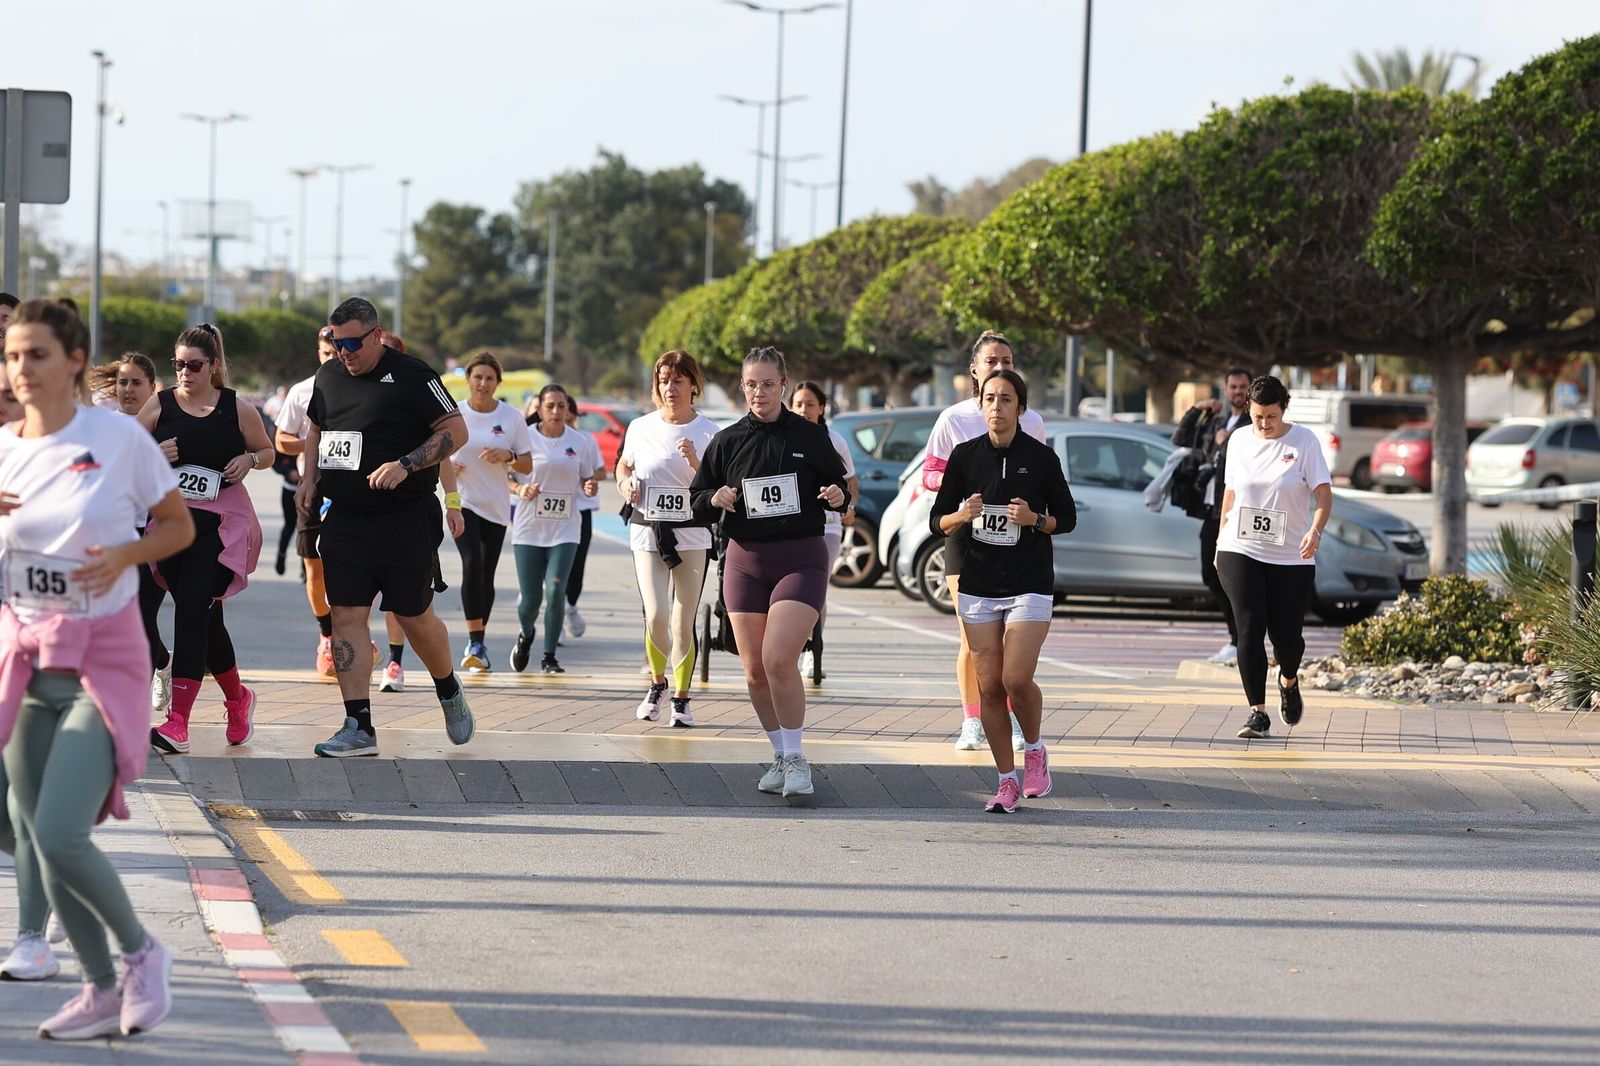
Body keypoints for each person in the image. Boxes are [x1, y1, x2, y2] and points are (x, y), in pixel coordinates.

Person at [0, 298, 194, 1038]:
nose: (22, 369)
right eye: (13, 356)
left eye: (37, 355)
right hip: (26, 660)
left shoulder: (115, 438)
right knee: (35, 837)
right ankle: (99, 989)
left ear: (75, 361)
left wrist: (123, 554)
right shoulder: (4, 446)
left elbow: (174, 527)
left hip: (102, 658)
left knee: (57, 835)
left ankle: (144, 957)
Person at [295, 297, 473, 757]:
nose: (344, 352)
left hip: (405, 519)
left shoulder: (415, 375)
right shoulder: (328, 374)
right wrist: (308, 480)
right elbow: (316, 429)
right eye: (336, 343)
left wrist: (407, 464)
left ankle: (448, 689)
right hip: (347, 519)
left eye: (353, 342)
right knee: (346, 615)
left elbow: (456, 430)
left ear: (376, 335)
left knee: (413, 616)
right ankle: (358, 724)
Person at [689, 347, 850, 798]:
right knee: (756, 670)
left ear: (784, 385)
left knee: (780, 659)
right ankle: (779, 753)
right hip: (744, 559)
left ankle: (798, 759)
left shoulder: (811, 435)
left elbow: (839, 490)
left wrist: (838, 497)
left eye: (767, 384)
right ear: (743, 388)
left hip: (800, 556)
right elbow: (696, 498)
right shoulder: (726, 441)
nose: (759, 392)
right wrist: (714, 499)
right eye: (751, 384)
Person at [931, 369, 1076, 812]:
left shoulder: (1041, 458)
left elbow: (1066, 518)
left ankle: (1034, 750)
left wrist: (1035, 520)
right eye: (990, 398)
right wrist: (963, 514)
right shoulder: (964, 456)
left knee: (1015, 678)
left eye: (1006, 399)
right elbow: (938, 521)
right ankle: (1006, 780)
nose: (997, 406)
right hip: (978, 582)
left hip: (1029, 582)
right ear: (981, 406)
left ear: (1020, 407)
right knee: (990, 688)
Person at [141, 325, 270, 754]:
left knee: (192, 608)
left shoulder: (237, 408)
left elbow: (268, 452)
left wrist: (249, 459)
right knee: (204, 618)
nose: (184, 373)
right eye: (178, 365)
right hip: (172, 523)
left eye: (193, 365)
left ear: (213, 367)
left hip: (222, 524)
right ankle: (238, 699)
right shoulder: (159, 406)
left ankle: (178, 721)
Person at [923, 331, 1047, 751]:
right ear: (974, 370)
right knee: (971, 636)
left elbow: (1042, 481)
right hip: (966, 531)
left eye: (1008, 361)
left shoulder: (1032, 420)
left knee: (1010, 643)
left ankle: (1009, 716)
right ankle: (972, 720)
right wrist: (966, 488)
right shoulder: (953, 419)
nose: (1000, 368)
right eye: (991, 361)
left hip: (1014, 539)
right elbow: (929, 475)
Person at [1215, 374, 1332, 740]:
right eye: (1257, 416)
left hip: (1291, 554)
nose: (1264, 424)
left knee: (1287, 638)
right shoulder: (1239, 440)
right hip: (1241, 546)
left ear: (1284, 410)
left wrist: (1315, 531)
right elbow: (1231, 495)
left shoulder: (1304, 442)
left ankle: (1289, 679)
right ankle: (1257, 713)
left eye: (1271, 417)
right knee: (1249, 629)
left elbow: (1323, 495)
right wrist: (1220, 542)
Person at [617, 350, 719, 725]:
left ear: (693, 385)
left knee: (682, 619)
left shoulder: (710, 432)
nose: (670, 387)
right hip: (648, 528)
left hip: (692, 531)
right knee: (656, 614)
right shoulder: (641, 427)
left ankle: (681, 698)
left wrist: (695, 462)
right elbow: (624, 465)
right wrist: (625, 482)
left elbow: (719, 487)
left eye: (678, 380)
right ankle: (656, 684)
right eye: (663, 380)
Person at [449, 352, 531, 671]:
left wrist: (506, 455)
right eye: (478, 377)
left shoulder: (511, 418)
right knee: (472, 563)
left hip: (497, 508)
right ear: (468, 379)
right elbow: (435, 451)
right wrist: (446, 465)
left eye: (490, 378)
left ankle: (479, 642)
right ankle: (473, 642)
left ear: (498, 382)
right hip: (462, 502)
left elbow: (527, 463)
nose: (483, 383)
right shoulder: (454, 414)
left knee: (486, 574)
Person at [510, 384, 600, 674]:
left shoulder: (580, 441)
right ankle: (525, 635)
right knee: (530, 601)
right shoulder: (525, 437)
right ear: (540, 409)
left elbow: (589, 476)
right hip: (529, 528)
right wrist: (519, 488)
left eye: (561, 406)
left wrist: (589, 484)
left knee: (556, 590)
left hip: (565, 528)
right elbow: (506, 476)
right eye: (550, 406)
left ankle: (549, 657)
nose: (556, 411)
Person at [1171, 367, 1252, 664]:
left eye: (1243, 386)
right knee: (1211, 575)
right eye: (1233, 386)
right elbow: (1180, 438)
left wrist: (1224, 443)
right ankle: (1238, 637)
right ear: (1225, 388)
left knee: (1231, 576)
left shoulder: (1253, 423)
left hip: (1234, 510)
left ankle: (1241, 639)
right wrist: (1197, 408)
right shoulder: (1216, 420)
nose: (1238, 392)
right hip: (1211, 511)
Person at [274, 329, 339, 674]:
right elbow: (281, 440)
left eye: (337, 352)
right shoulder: (301, 391)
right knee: (314, 567)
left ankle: (350, 631)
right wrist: (314, 444)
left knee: (350, 566)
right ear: (318, 354)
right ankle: (327, 634)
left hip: (349, 489)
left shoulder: (359, 388)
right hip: (311, 488)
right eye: (325, 353)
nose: (332, 359)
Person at [789, 380, 859, 679]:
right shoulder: (784, 438)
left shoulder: (835, 441)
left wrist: (847, 507)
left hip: (827, 529)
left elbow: (851, 483)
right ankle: (788, 649)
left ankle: (811, 649)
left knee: (816, 590)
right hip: (790, 528)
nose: (804, 410)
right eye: (799, 404)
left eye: (810, 405)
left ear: (822, 409)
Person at [562, 398, 605, 640]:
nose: (563, 415)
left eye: (567, 411)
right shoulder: (538, 437)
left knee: (577, 566)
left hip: (581, 510)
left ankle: (570, 606)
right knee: (555, 569)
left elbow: (598, 470)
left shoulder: (585, 440)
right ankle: (556, 617)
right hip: (554, 514)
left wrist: (585, 476)